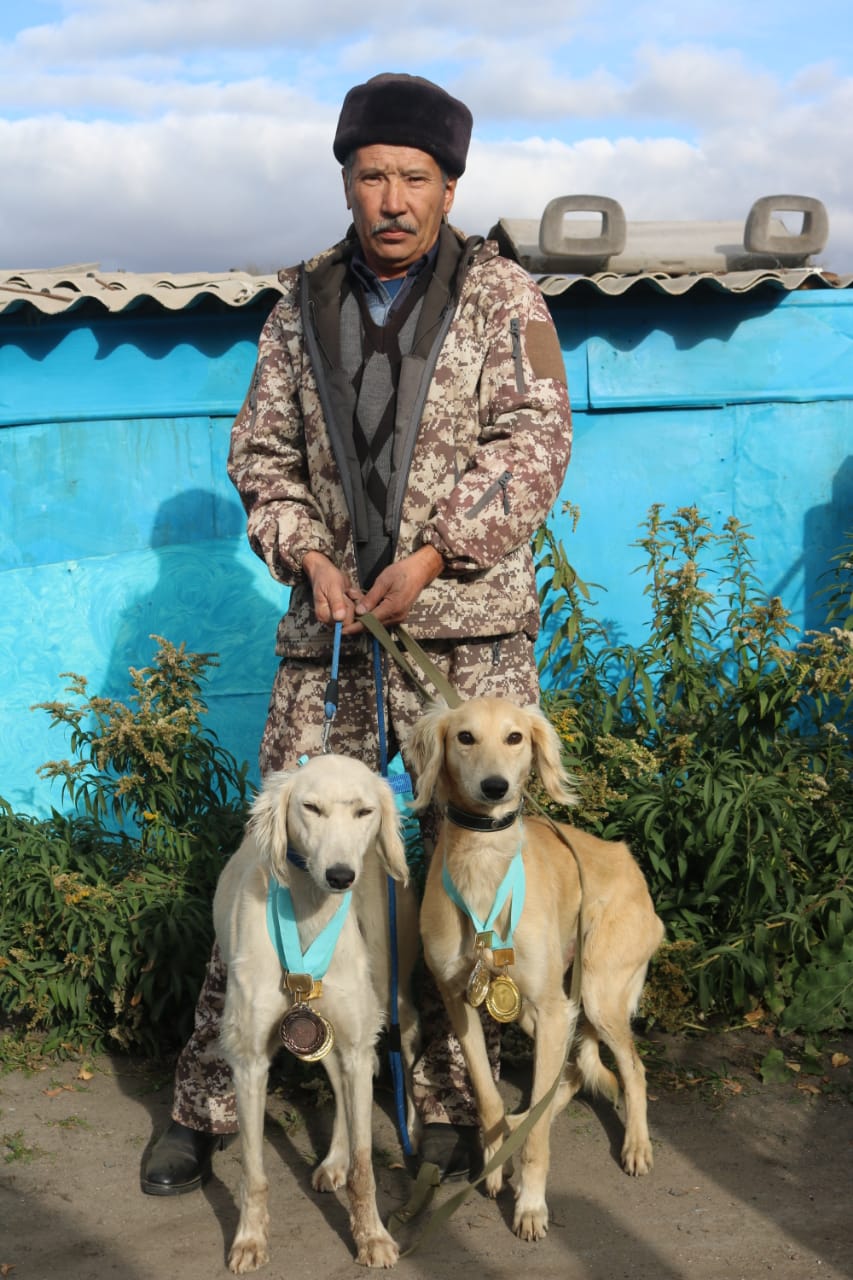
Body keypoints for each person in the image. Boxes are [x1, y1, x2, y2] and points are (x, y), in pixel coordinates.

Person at [141, 71, 571, 1196]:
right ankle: (207, 1102)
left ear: (448, 187)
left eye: (413, 178)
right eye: (371, 174)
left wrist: (435, 555)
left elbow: (535, 444)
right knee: (278, 855)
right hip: (328, 636)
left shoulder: (506, 298)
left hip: (464, 644)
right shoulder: (299, 304)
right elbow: (261, 455)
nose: (391, 198)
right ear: (346, 181)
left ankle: (447, 1096)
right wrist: (309, 555)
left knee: (468, 874)